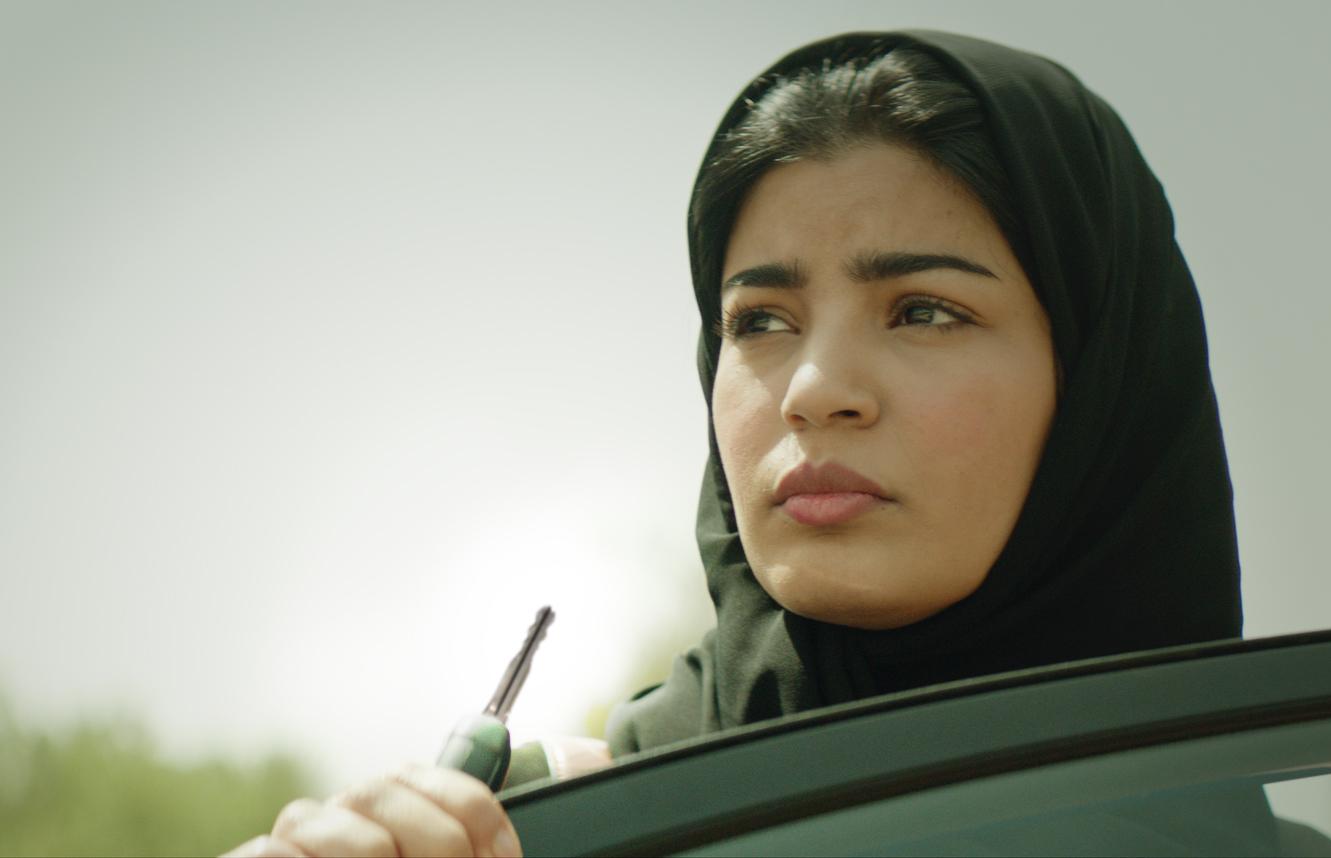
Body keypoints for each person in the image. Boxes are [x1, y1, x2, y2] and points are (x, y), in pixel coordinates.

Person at [225, 28, 1254, 857]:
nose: (813, 392)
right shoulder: (530, 833)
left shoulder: (1321, 766)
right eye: (760, 321)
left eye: (923, 311)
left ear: (1100, 382)